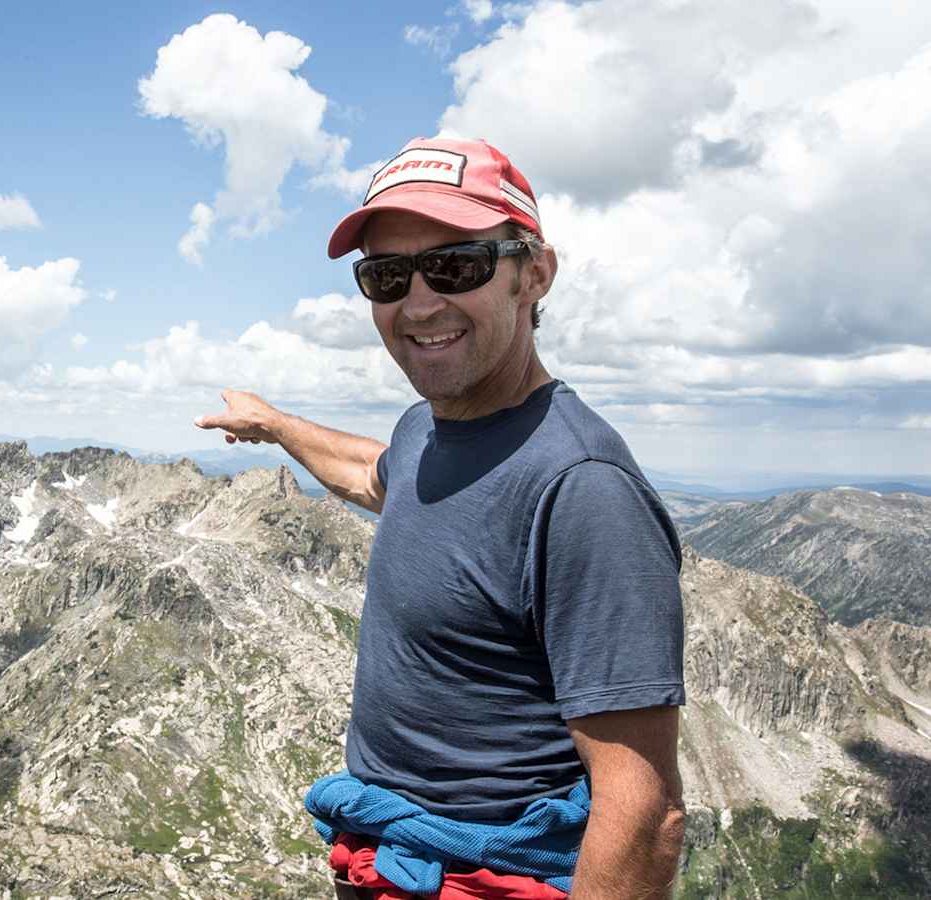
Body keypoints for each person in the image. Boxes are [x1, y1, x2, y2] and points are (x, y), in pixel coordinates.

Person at [195, 137, 686, 899]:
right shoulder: (428, 427)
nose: (418, 303)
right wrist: (277, 426)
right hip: (389, 863)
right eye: (387, 275)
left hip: (480, 881)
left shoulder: (583, 489)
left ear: (535, 274)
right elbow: (375, 476)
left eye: (457, 265)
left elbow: (645, 812)